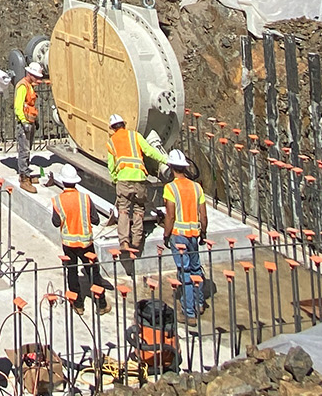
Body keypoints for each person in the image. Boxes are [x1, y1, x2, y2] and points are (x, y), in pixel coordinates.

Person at [47, 164, 115, 314]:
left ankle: (78, 304)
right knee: (93, 273)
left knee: (71, 272)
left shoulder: (58, 201)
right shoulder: (85, 199)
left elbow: (56, 222)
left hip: (68, 244)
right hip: (86, 244)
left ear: (63, 181)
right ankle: (101, 304)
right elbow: (95, 220)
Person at [105, 114, 168, 254]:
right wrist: (165, 160)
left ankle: (124, 241)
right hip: (139, 178)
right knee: (139, 209)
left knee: (123, 211)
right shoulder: (135, 136)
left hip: (123, 179)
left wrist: (116, 179)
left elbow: (111, 166)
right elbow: (149, 151)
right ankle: (137, 241)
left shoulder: (111, 142)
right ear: (124, 125)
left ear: (112, 128)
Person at [162, 150, 208, 320]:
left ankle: (189, 312)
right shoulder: (197, 187)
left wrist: (166, 235)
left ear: (171, 167)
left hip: (178, 236)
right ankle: (199, 303)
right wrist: (203, 233)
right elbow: (203, 215)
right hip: (193, 236)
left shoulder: (170, 188)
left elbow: (170, 215)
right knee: (196, 268)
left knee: (185, 271)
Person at [13, 62, 44, 192]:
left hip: (29, 122)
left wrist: (34, 121)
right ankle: (24, 178)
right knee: (24, 151)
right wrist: (24, 121)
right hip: (24, 124)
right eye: (36, 76)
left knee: (27, 149)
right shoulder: (22, 86)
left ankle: (26, 173)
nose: (38, 79)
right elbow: (17, 107)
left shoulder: (30, 86)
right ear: (30, 74)